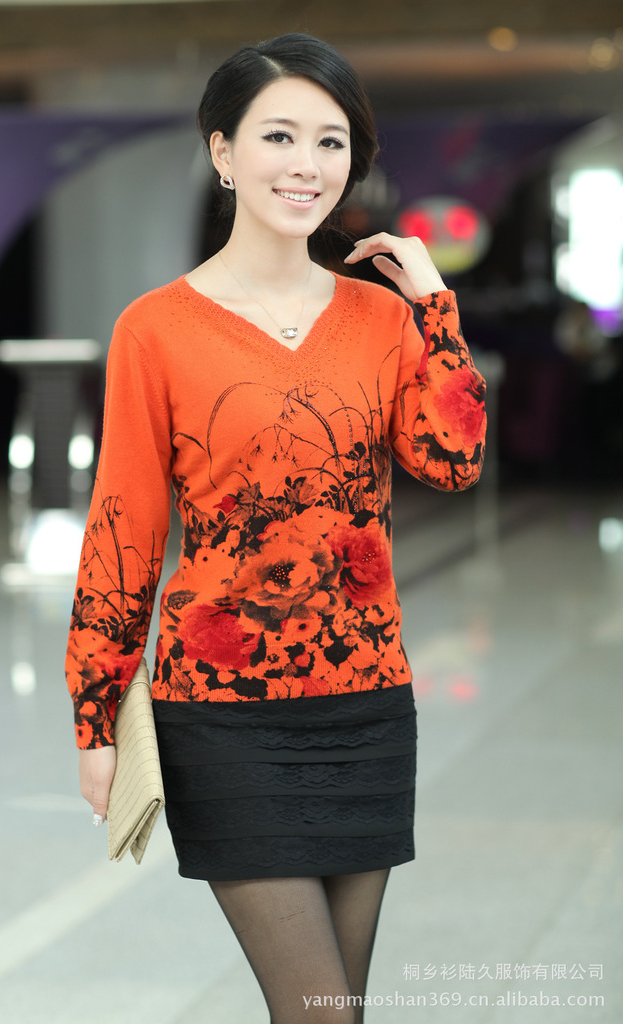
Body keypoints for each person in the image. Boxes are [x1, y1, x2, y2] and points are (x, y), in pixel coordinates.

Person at [66, 33, 486, 1023]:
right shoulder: (155, 329)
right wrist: (95, 717)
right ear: (223, 152)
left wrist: (433, 307)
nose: (307, 164)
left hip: (366, 702)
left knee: (340, 1010)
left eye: (331, 142)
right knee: (319, 1012)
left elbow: (452, 461)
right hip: (223, 713)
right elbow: (125, 525)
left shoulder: (381, 319)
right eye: (279, 136)